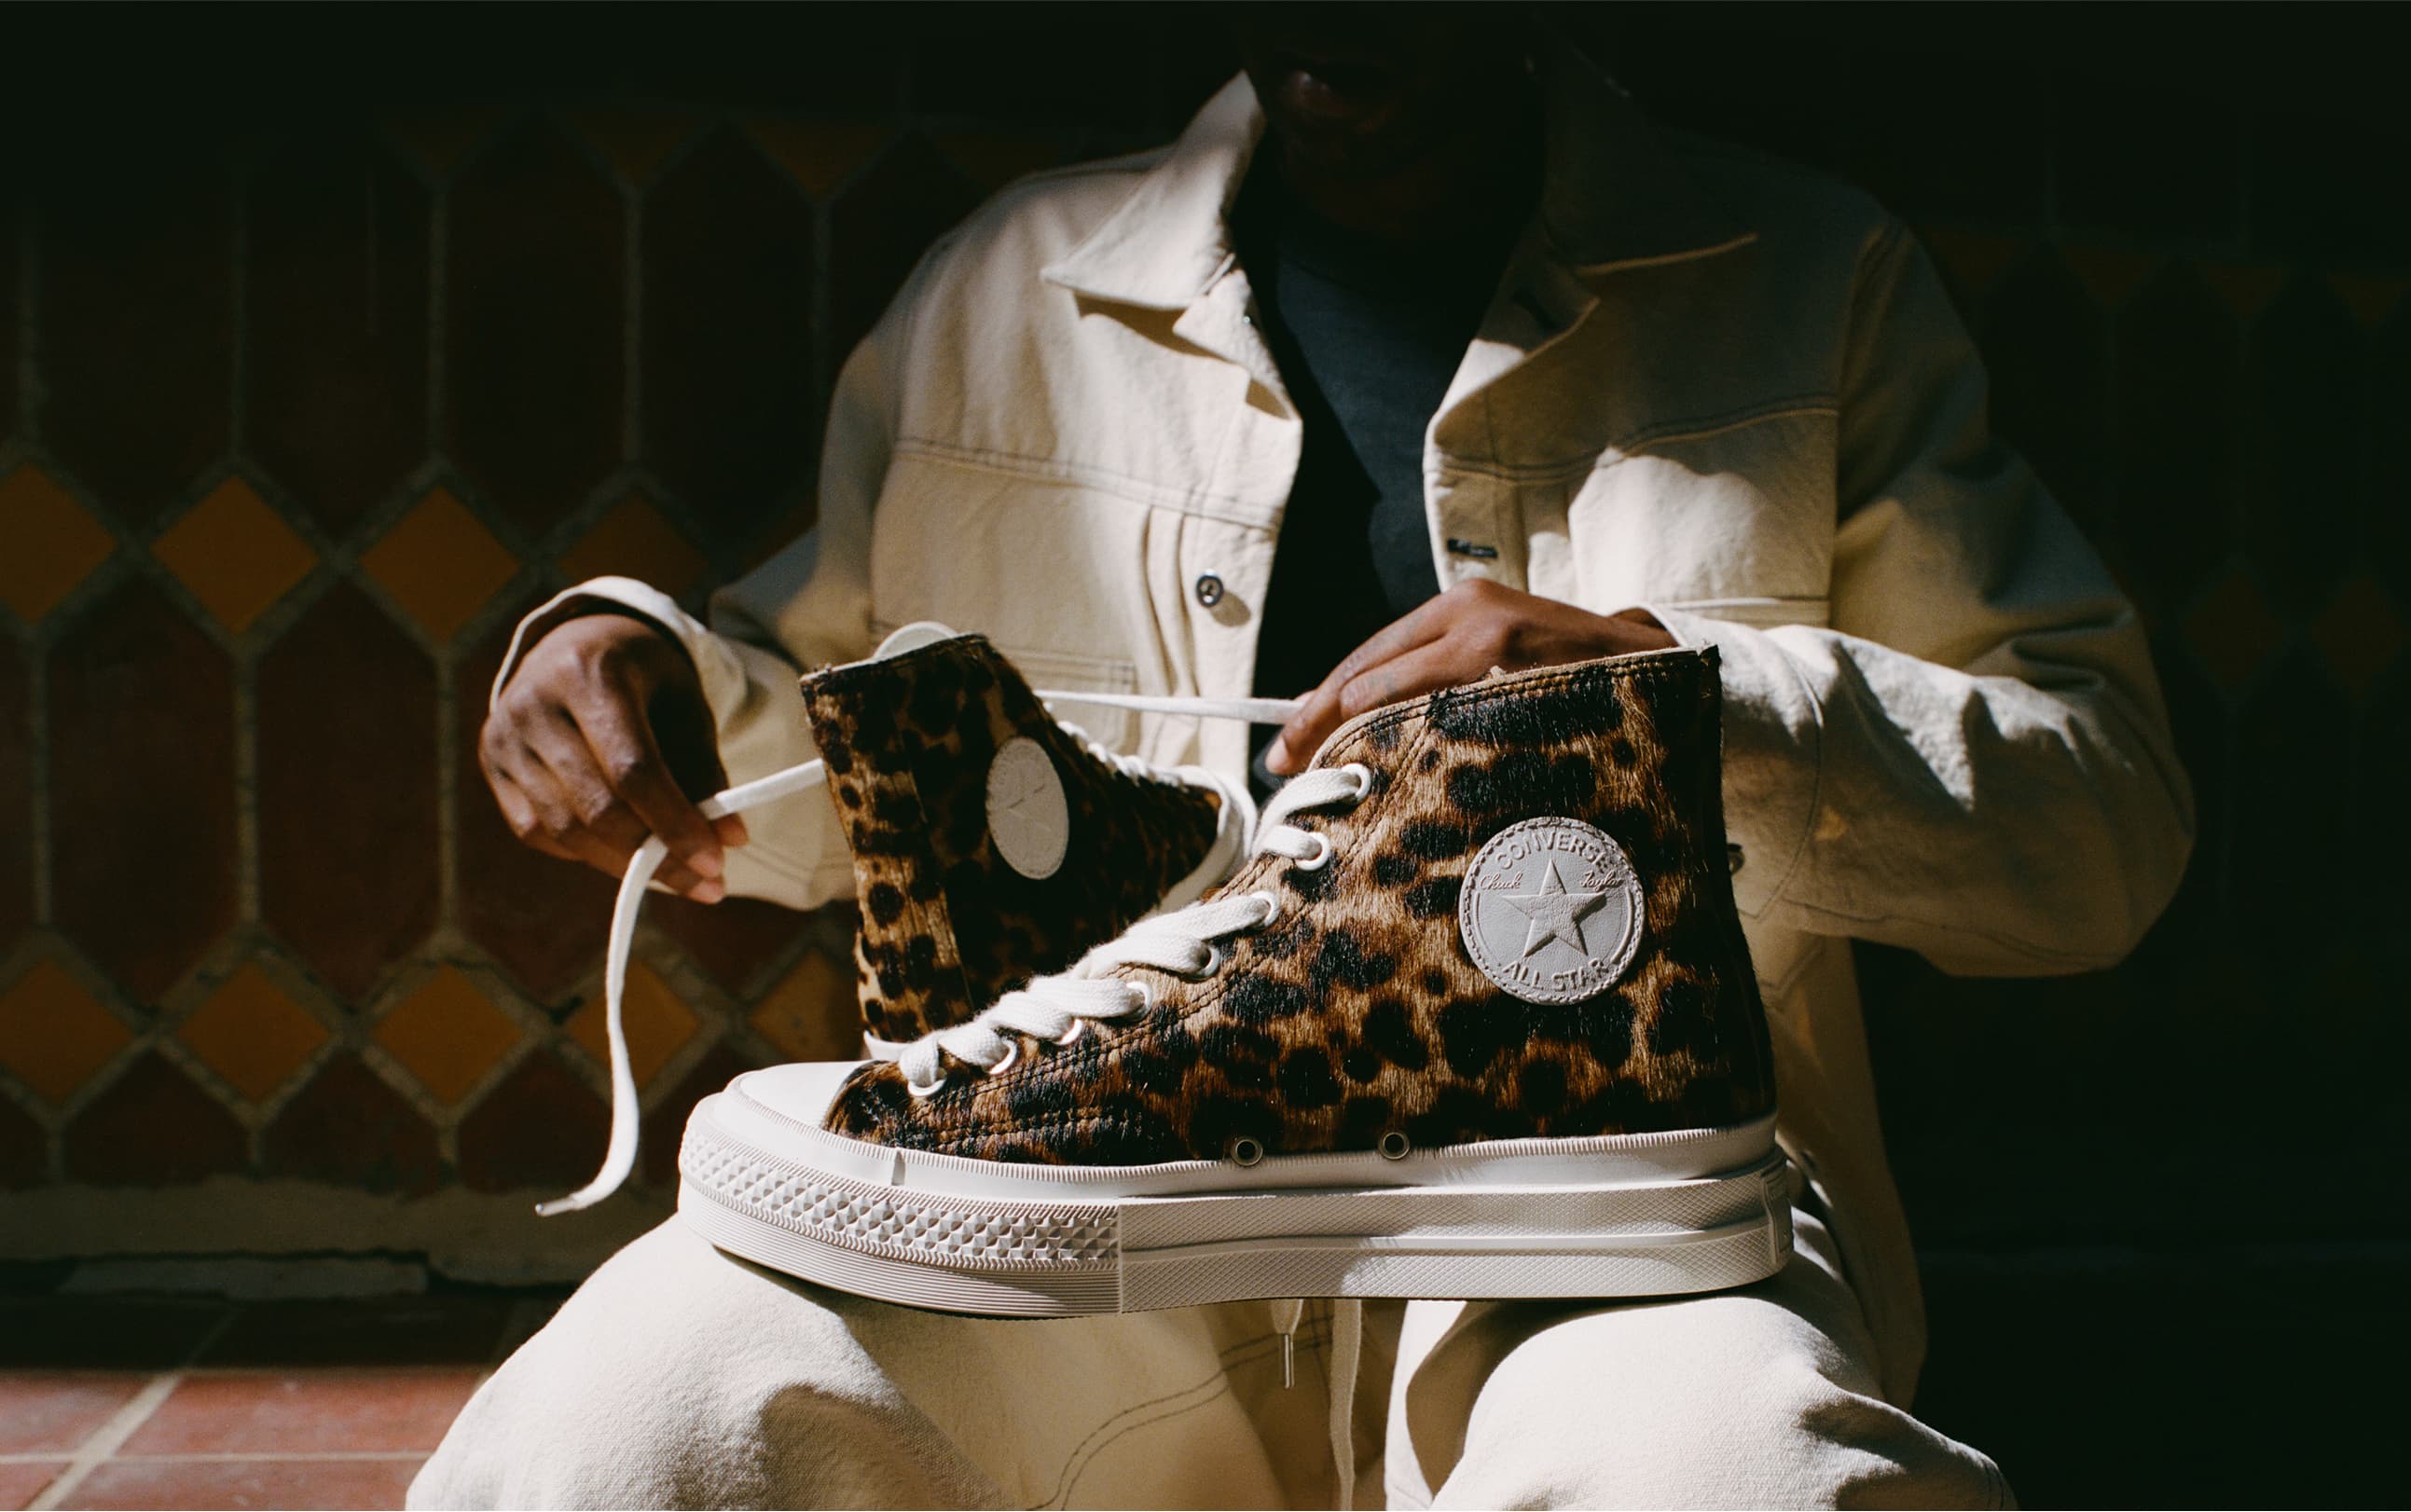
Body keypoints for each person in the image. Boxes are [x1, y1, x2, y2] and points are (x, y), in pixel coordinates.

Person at [423, 14, 2191, 1508]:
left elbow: (2105, 819)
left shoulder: (1810, 282)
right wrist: (641, 685)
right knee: (618, 1420)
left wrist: (1680, 704)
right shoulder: (1007, 288)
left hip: (1606, 1222)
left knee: (1730, 1473)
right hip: (1061, 1210)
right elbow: (831, 745)